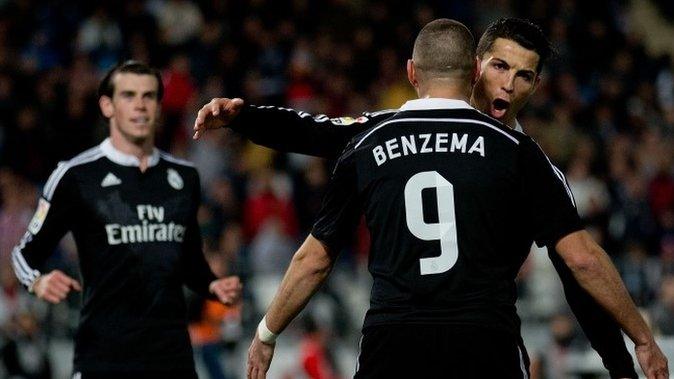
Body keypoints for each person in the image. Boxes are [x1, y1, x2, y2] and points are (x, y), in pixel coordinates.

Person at [194, 18, 639, 378]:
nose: (508, 85)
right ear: (476, 67)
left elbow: (576, 271)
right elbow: (320, 131)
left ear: (536, 85)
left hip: (413, 336)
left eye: (523, 75)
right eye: (501, 67)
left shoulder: (522, 159)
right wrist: (247, 117)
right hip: (476, 337)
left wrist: (619, 363)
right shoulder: (520, 157)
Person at [10, 61, 242, 379]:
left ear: (159, 106)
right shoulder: (76, 176)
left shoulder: (184, 177)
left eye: (149, 96)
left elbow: (188, 259)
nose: (140, 105)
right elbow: (24, 253)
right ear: (108, 105)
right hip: (105, 358)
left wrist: (211, 283)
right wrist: (37, 281)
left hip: (172, 358)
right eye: (128, 95)